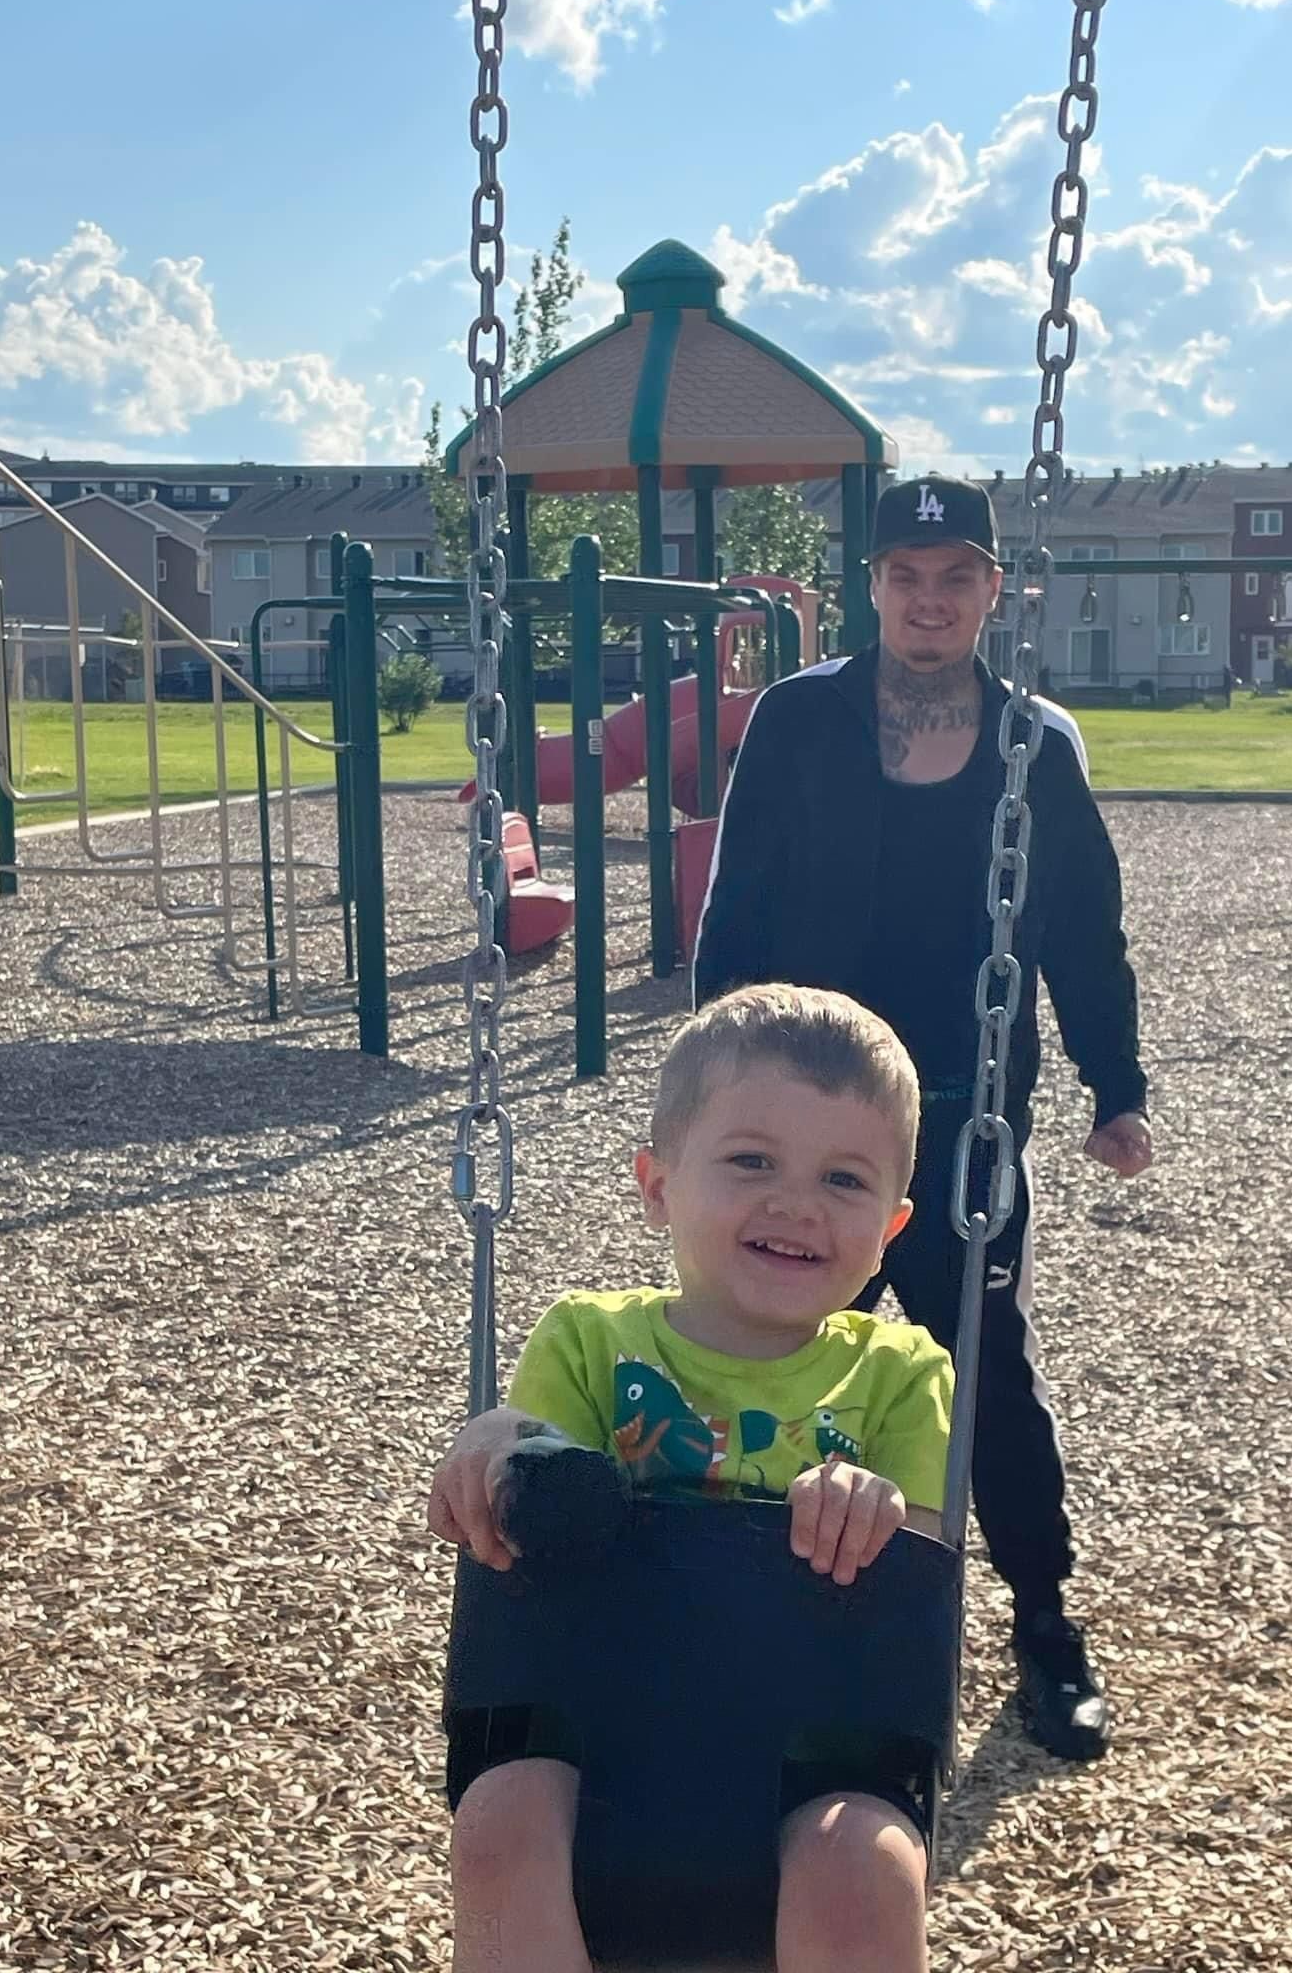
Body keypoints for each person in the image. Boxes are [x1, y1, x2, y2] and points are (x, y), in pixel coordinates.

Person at [693, 474, 1154, 1764]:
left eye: (957, 577)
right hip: (804, 1119)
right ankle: (758, 1602)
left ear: (993, 592)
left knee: (981, 1368)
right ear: (875, 587)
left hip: (961, 1125)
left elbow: (1083, 935)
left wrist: (1116, 1088)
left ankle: (1045, 1623)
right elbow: (736, 913)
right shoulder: (798, 721)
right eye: (908, 576)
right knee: (775, 1357)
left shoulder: (1034, 745)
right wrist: (709, 1091)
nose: (931, 599)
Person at [430, 983, 954, 1973]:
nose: (796, 1202)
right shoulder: (590, 1341)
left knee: (866, 1866)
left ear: (892, 1224)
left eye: (845, 1179)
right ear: (658, 1182)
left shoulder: (903, 1375)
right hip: (599, 1722)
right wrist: (496, 1447)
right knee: (500, 1823)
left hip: (817, 1747)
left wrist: (877, 1508)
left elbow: (911, 1585)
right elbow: (524, 1503)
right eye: (751, 1159)